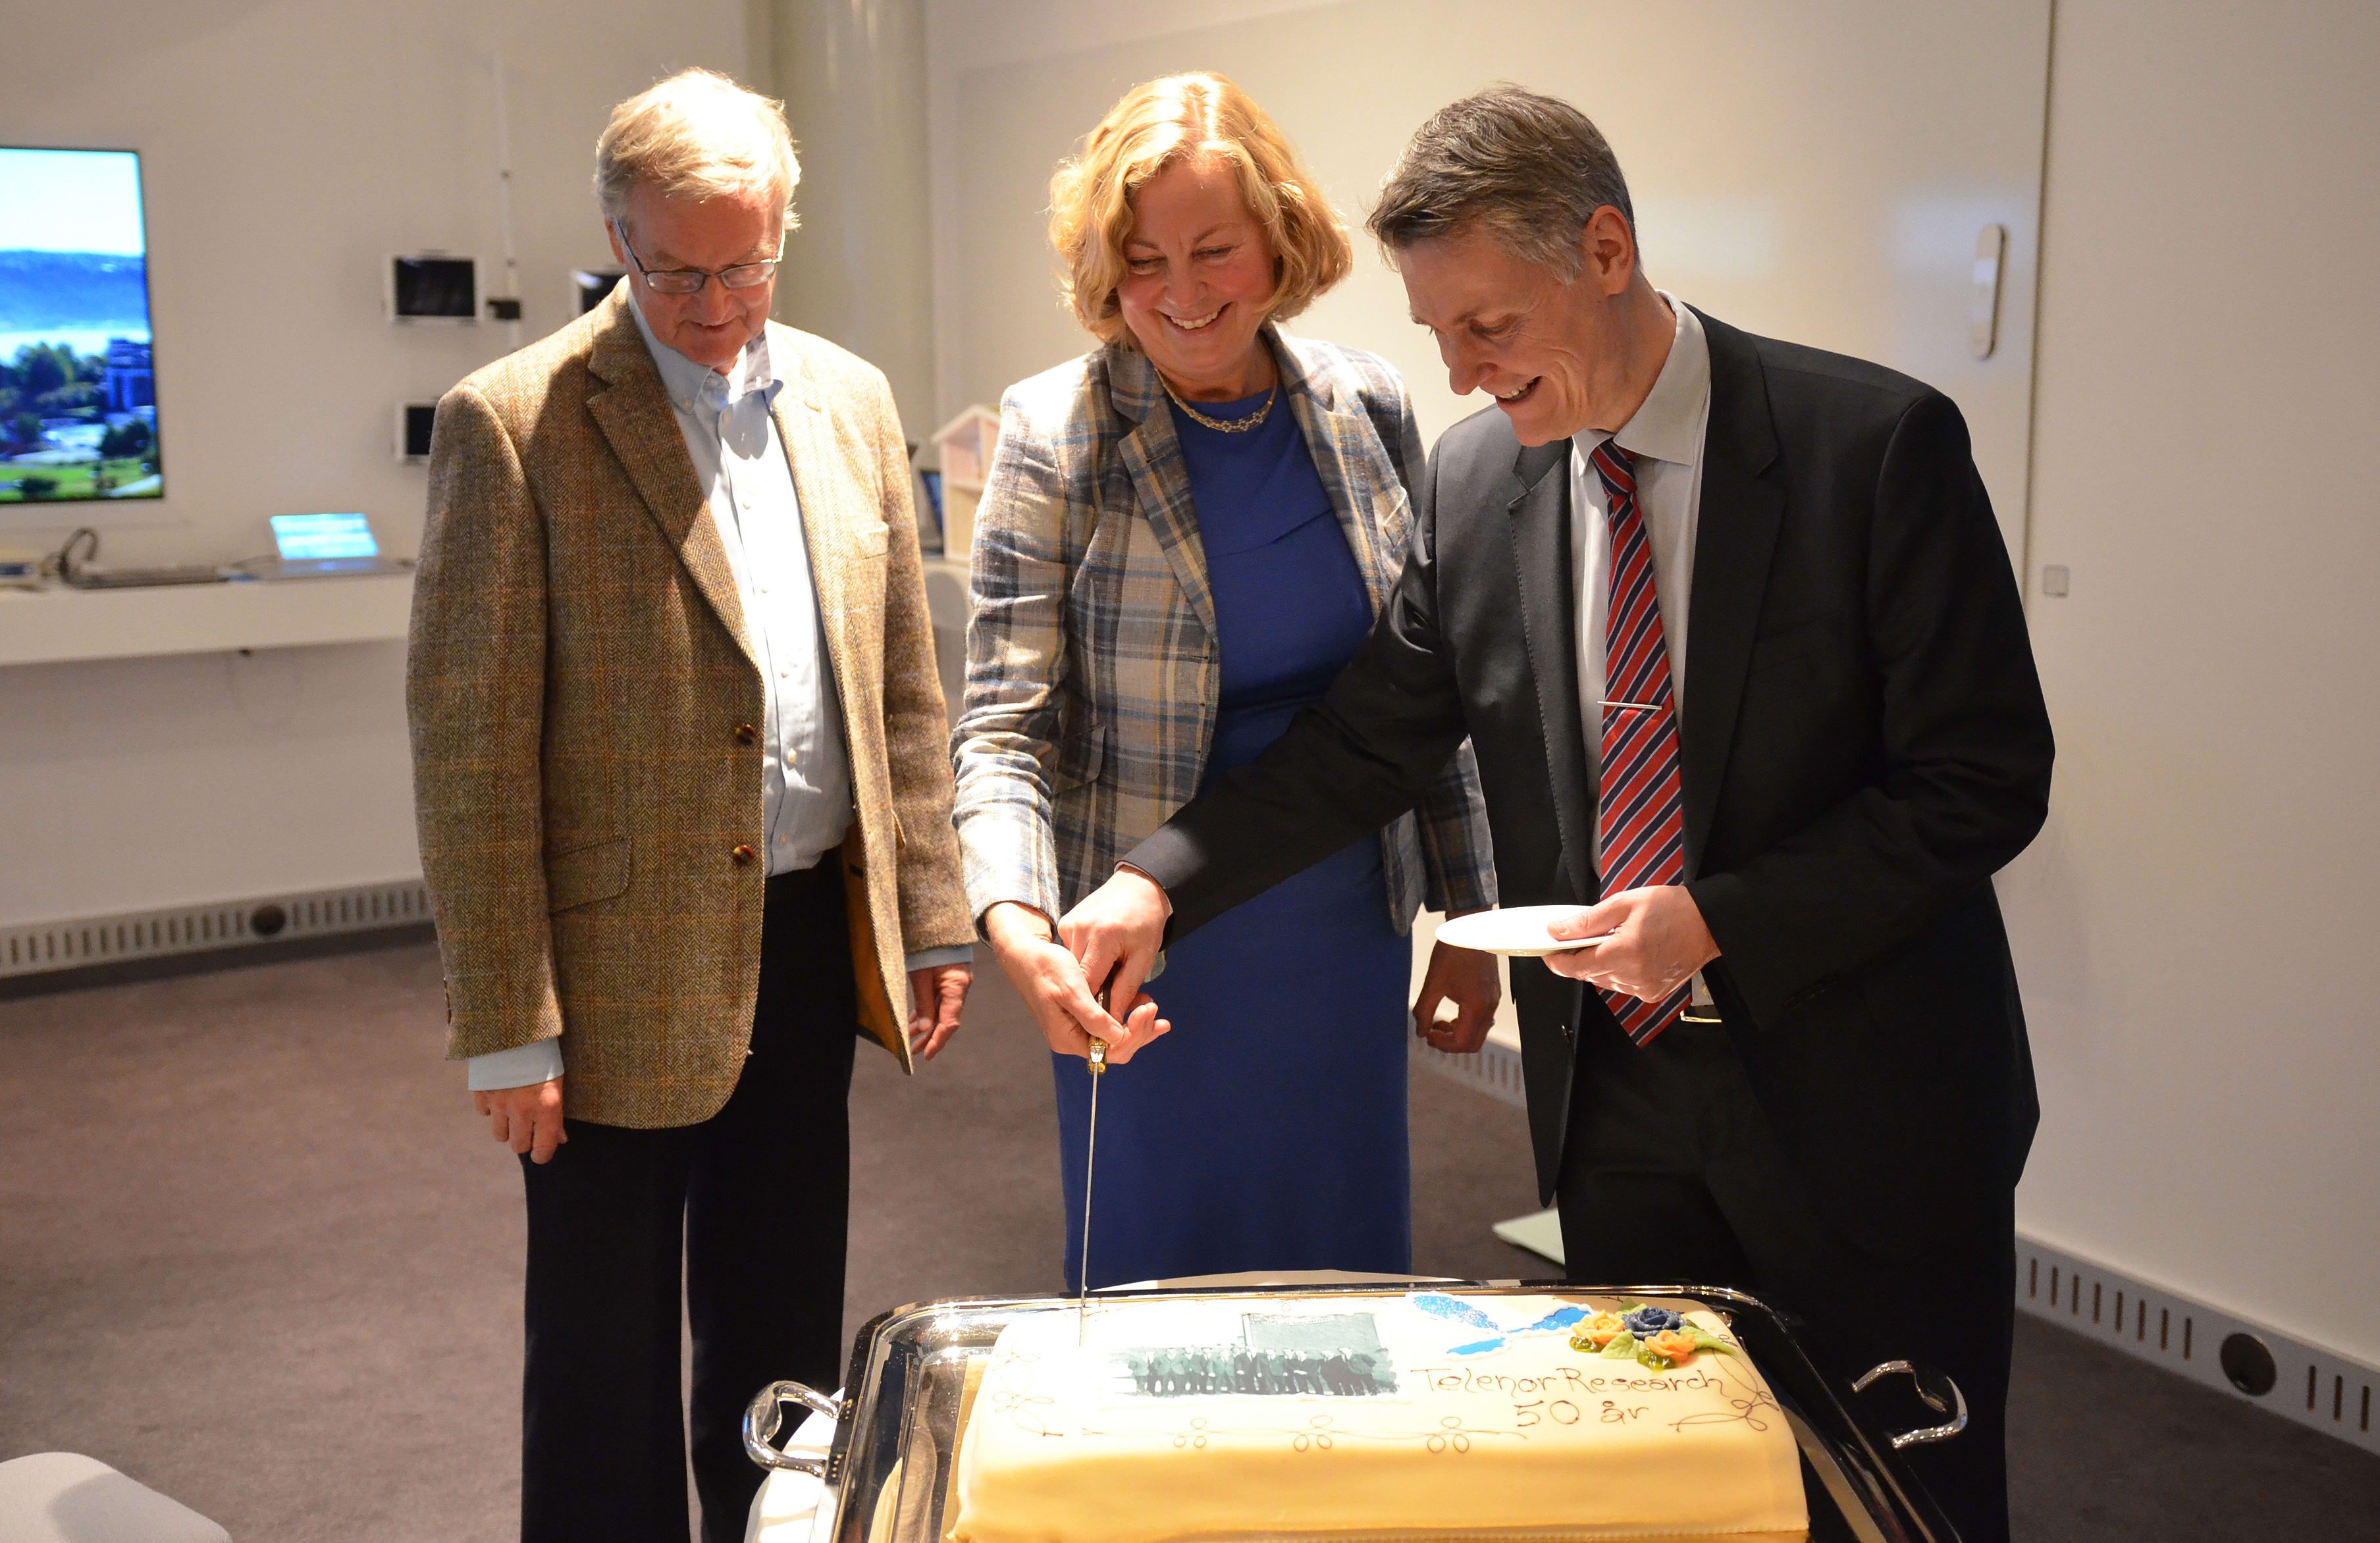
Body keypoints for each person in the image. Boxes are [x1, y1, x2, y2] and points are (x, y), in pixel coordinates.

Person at [1063, 86, 2051, 1540]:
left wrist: (1716, 921)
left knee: (1891, 1493)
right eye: (1438, 334)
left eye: (1489, 326)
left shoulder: (1874, 449)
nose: (1460, 375)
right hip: (1623, 1107)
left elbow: (1983, 779)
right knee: (1650, 1491)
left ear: (1603, 250)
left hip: (1864, 1104)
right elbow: (1360, 747)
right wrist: (1157, 880)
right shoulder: (1479, 483)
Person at [406, 69, 974, 1543]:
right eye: (673, 270)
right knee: (599, 1348)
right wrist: (507, 1021)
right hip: (607, 971)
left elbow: (903, 692)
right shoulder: (516, 423)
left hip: (803, 934)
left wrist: (927, 916)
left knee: (786, 1327)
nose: (716, 303)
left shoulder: (850, 402)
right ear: (616, 234)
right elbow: (469, 750)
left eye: (745, 265)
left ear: (783, 230)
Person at [951, 73, 1500, 1290]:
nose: (1182, 296)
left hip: (1340, 920)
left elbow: (1427, 694)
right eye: (1142, 260)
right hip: (1141, 941)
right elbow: (1002, 728)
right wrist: (1015, 921)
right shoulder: (1058, 432)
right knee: (1158, 1281)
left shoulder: (1363, 407)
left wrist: (1466, 916)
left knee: (1338, 1270)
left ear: (1281, 241)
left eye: (1214, 251)